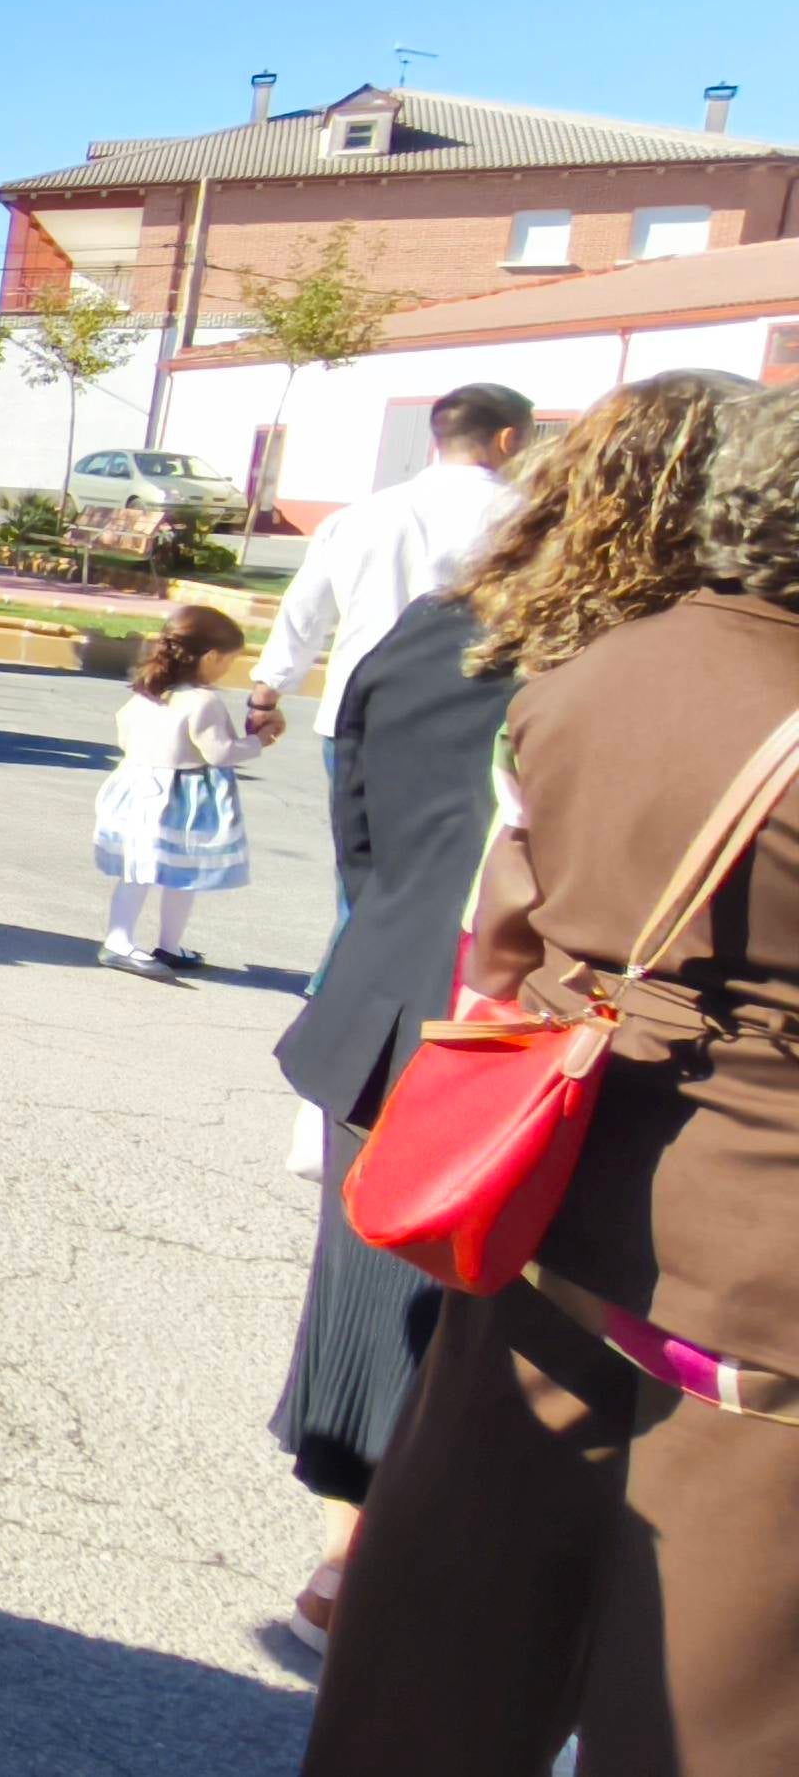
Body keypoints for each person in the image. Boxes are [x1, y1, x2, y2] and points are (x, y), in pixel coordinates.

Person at [303, 388, 799, 1776]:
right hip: (759, 1293)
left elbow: (502, 945)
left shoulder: (590, 669)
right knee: (712, 1705)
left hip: (548, 1219)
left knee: (445, 1660)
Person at [249, 382, 532, 753]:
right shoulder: (529, 519)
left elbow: (305, 610)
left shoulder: (358, 515)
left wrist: (265, 695)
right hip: (470, 721)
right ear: (509, 440)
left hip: (358, 714)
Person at [89, 605, 262, 982]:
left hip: (137, 786)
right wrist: (258, 741)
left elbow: (124, 732)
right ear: (211, 656)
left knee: (141, 868)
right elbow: (221, 753)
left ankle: (144, 939)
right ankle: (126, 942)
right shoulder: (203, 701)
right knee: (179, 874)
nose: (226, 671)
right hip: (180, 799)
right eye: (227, 662)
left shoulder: (147, 692)